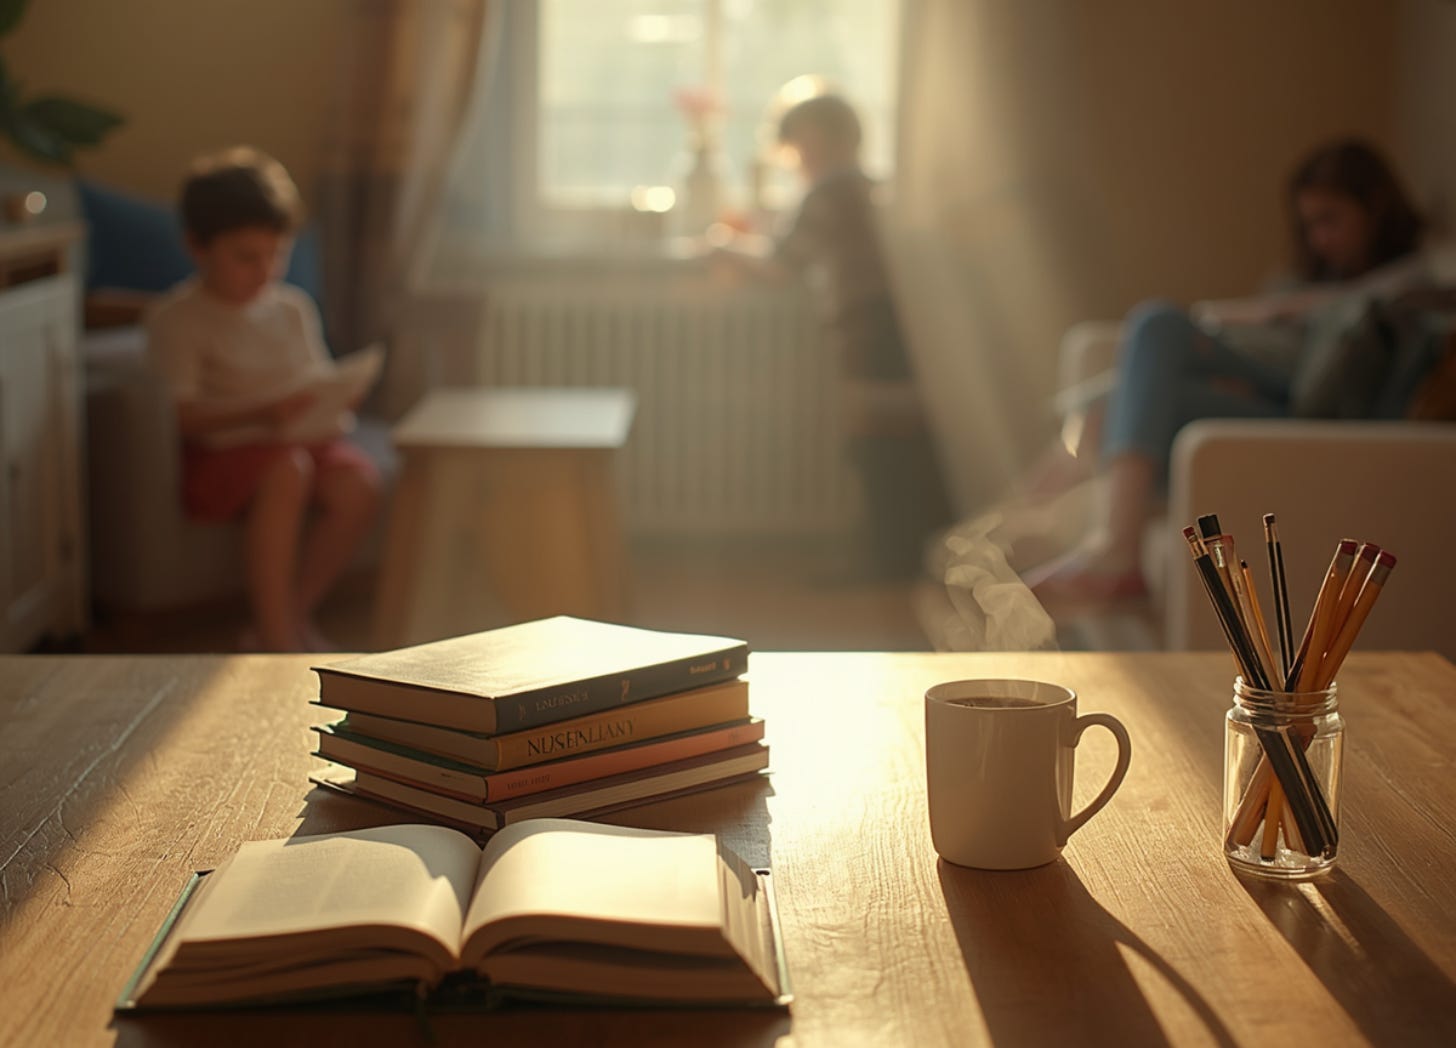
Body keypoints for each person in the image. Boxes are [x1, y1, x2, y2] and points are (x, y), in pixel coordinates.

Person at [1028, 138, 1428, 600]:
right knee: (1122, 403)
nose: (1319, 238)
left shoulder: (1420, 276)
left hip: (1312, 414)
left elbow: (1379, 305)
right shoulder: (1313, 280)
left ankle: (1088, 543)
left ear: (1375, 207)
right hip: (1262, 395)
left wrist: (1275, 312)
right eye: (1309, 225)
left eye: (1330, 220)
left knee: (1158, 324)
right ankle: (1035, 540)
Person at [147, 147, 382, 651]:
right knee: (288, 469)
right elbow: (181, 417)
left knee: (358, 484)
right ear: (198, 246)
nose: (265, 270)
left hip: (297, 439)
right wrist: (264, 413)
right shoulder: (178, 318)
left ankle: (290, 615)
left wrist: (340, 401)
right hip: (225, 452)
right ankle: (279, 639)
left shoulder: (293, 308)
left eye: (277, 255)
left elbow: (316, 381)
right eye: (246, 257)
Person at [714, 86, 952, 579]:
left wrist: (724, 247)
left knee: (876, 443)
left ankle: (887, 558)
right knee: (898, 439)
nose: (796, 157)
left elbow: (781, 265)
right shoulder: (868, 188)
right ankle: (903, 552)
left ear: (817, 140)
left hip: (868, 330)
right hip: (899, 328)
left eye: (800, 144)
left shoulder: (827, 194)